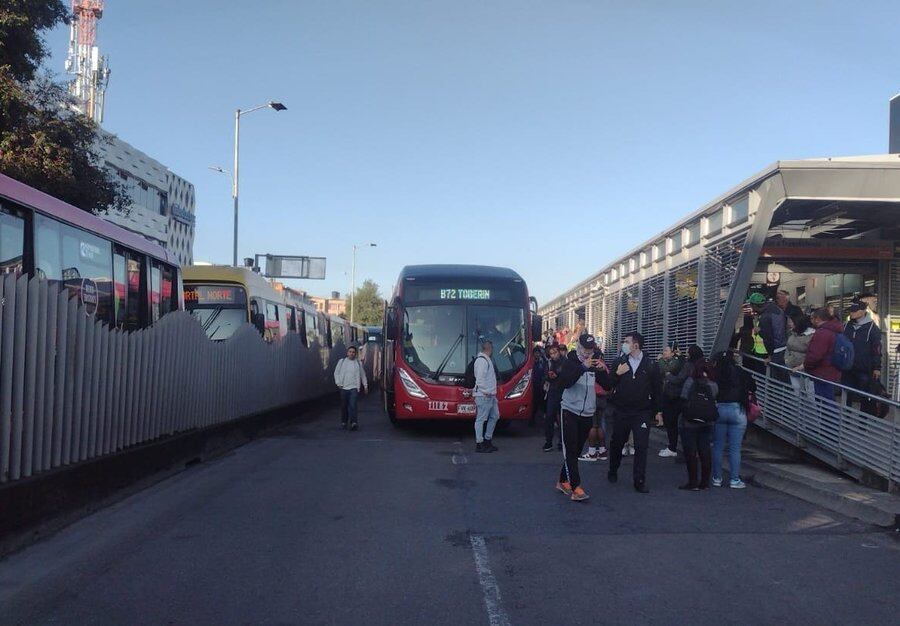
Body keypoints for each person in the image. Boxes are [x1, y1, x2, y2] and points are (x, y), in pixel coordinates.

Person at [605, 332, 662, 494]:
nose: (624, 344)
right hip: (622, 410)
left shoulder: (650, 364)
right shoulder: (619, 361)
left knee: (641, 446)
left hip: (642, 412)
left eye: (627, 342)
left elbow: (657, 389)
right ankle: (613, 469)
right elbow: (609, 384)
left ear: (636, 345)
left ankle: (639, 480)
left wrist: (658, 411)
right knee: (617, 443)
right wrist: (617, 374)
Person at [555, 334, 608, 502]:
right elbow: (564, 382)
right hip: (569, 410)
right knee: (570, 450)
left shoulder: (595, 361)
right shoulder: (569, 361)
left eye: (590, 350)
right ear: (578, 346)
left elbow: (607, 385)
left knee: (577, 450)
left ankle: (563, 481)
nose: (587, 353)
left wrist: (602, 370)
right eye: (585, 349)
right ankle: (575, 487)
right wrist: (582, 368)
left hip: (587, 412)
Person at [711, 350, 754, 488]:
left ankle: (717, 478)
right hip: (737, 409)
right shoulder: (740, 372)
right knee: (735, 448)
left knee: (718, 446)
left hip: (720, 409)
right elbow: (753, 387)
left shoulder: (716, 373)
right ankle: (734, 479)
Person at [679, 354, 718, 490]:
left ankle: (693, 482)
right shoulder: (713, 384)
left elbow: (683, 397)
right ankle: (705, 482)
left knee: (691, 452)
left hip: (690, 422)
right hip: (707, 422)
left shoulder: (690, 381)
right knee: (705, 451)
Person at [843, 299, 883, 415]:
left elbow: (876, 350)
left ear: (863, 311)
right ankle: (845, 420)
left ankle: (862, 425)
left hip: (864, 369)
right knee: (846, 395)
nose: (852, 313)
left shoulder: (872, 329)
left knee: (865, 397)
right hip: (848, 368)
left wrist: (877, 368)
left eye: (855, 311)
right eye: (851, 310)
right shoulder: (846, 326)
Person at [801, 308, 843, 401]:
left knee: (825, 403)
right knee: (826, 401)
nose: (811, 321)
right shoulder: (834, 329)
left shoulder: (822, 333)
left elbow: (815, 355)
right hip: (831, 370)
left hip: (822, 372)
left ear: (818, 319)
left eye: (812, 318)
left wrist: (807, 366)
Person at [579, 348, 609, 462]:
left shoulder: (591, 367)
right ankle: (602, 450)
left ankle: (592, 452)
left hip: (593, 397)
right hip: (603, 398)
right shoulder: (604, 366)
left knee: (592, 425)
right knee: (600, 425)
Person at [657, 344, 685, 458]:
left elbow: (666, 370)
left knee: (673, 422)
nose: (664, 352)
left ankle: (673, 447)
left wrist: (661, 361)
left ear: (673, 353)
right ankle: (671, 446)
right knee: (670, 422)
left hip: (675, 397)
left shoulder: (677, 362)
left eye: (666, 350)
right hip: (667, 395)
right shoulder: (670, 361)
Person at [473, 340, 500, 453]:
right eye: (492, 348)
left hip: (490, 395)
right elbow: (480, 379)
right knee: (481, 419)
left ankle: (487, 440)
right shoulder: (482, 361)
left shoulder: (485, 360)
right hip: (485, 395)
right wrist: (486, 391)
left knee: (495, 416)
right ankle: (480, 443)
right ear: (489, 348)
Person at [333, 344, 368, 430]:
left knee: (353, 405)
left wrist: (365, 386)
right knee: (344, 406)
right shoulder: (342, 362)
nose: (351, 353)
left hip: (354, 388)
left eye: (353, 352)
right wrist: (338, 383)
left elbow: (363, 375)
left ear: (355, 354)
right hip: (343, 388)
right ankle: (344, 421)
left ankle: (354, 422)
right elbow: (336, 373)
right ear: (347, 353)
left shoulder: (358, 363)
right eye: (350, 352)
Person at [758, 292, 789, 380]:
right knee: (783, 378)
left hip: (775, 351)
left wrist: (770, 355)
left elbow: (768, 337)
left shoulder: (765, 316)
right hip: (783, 348)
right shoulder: (779, 311)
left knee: (777, 379)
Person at [785, 313, 815, 397]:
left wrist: (802, 366)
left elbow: (812, 354)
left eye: (792, 322)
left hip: (805, 370)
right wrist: (786, 359)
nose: (790, 323)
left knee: (809, 394)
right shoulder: (792, 334)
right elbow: (788, 348)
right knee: (796, 392)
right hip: (792, 367)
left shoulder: (811, 336)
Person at [543, 343, 565, 452]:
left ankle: (562, 441)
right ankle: (549, 441)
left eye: (555, 353)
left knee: (562, 418)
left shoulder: (564, 362)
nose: (553, 355)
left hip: (562, 392)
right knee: (549, 417)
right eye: (551, 353)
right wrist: (549, 376)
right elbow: (545, 375)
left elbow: (567, 376)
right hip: (552, 391)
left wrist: (557, 375)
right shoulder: (549, 362)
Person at [530, 346, 547, 426]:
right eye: (535, 353)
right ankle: (532, 419)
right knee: (534, 403)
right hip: (533, 385)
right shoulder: (531, 362)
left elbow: (545, 373)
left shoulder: (543, 362)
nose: (537, 354)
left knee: (541, 402)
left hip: (541, 385)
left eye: (538, 353)